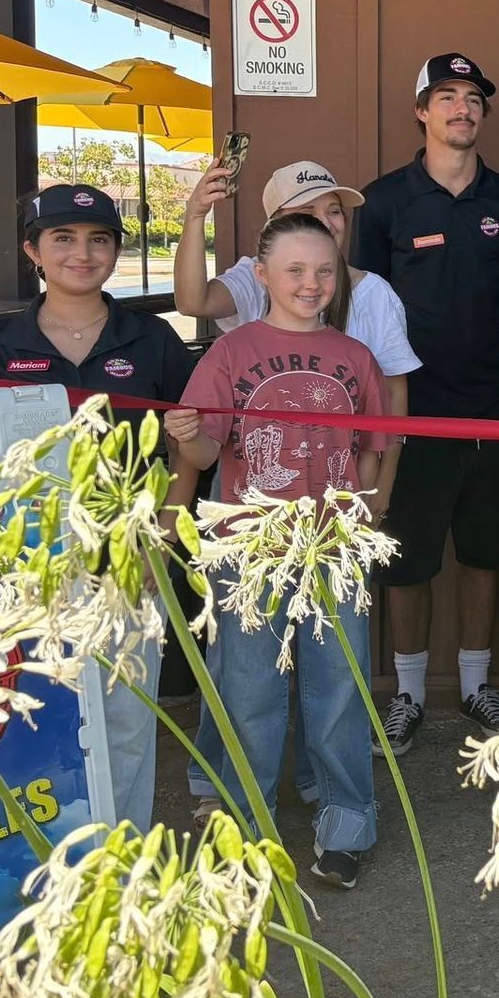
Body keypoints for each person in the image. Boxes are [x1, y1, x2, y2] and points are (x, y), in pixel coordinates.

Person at [0, 184, 195, 834]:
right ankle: (52, 873)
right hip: (27, 565)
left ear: (116, 250)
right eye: (63, 238)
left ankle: (123, 862)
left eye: (99, 240)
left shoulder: (153, 340)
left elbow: (186, 451)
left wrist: (161, 539)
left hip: (126, 559)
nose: (82, 253)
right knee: (33, 726)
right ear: (33, 250)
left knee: (127, 723)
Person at [175, 158, 419, 808]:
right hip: (250, 543)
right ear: (262, 275)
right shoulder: (229, 351)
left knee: (339, 684)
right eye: (294, 272)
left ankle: (346, 818)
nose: (310, 284)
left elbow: (373, 447)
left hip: (334, 543)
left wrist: (366, 510)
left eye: (323, 272)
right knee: (250, 689)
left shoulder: (356, 355)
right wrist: (185, 433)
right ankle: (249, 823)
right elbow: (205, 449)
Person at [351, 52, 499, 754]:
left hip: (494, 409)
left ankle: (474, 687)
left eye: (473, 99)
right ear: (421, 111)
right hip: (409, 414)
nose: (462, 109)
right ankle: (404, 694)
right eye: (447, 96)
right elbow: (363, 310)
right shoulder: (383, 203)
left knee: (486, 555)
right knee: (406, 560)